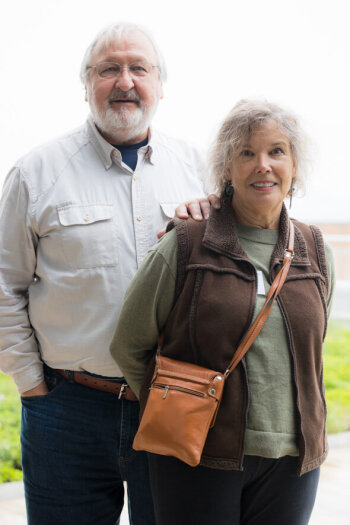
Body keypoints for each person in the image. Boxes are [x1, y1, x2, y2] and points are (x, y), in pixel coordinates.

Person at [0, 22, 208, 525]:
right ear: (86, 82)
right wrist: (32, 385)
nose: (125, 81)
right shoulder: (36, 172)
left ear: (160, 83)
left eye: (139, 68)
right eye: (108, 69)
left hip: (170, 404)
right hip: (65, 410)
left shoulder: (198, 170)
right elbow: (5, 285)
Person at [111, 99, 335, 525]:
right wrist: (174, 406)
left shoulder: (316, 250)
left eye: (276, 151)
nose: (262, 165)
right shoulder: (186, 244)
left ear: (295, 166)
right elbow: (130, 344)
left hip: (293, 460)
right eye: (246, 153)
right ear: (227, 170)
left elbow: (313, 350)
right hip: (199, 454)